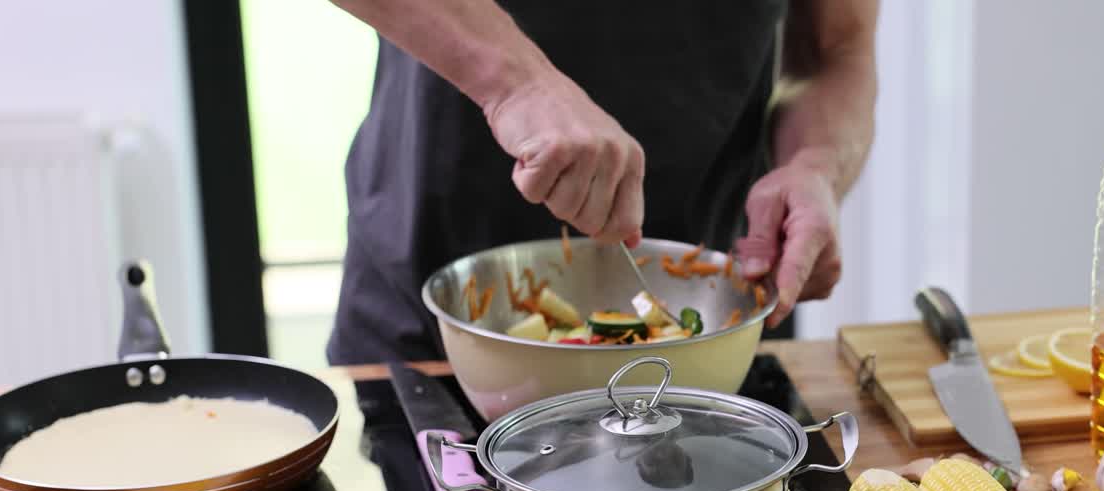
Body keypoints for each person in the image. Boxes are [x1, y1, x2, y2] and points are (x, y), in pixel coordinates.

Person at [327, 0, 878, 364]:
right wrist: (516, 84)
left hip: (717, 315)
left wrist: (816, 165)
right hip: (438, 316)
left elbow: (836, 50)